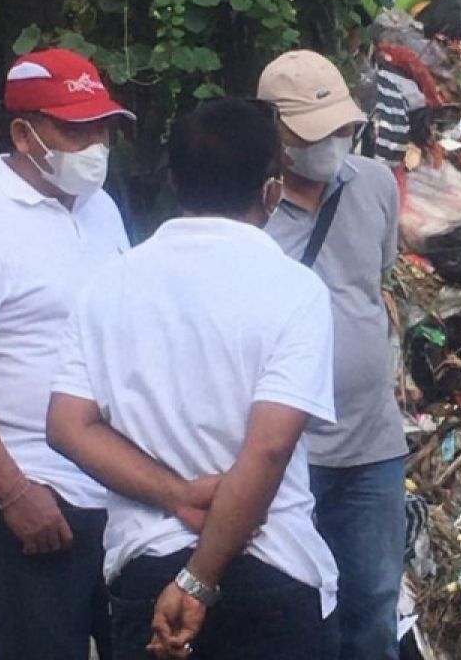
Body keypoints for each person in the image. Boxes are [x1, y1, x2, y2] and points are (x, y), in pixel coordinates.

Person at [46, 97, 339, 660]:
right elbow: (271, 446)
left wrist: (177, 495)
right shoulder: (294, 290)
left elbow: (67, 425)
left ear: (174, 181)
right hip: (272, 570)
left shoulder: (109, 285)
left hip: (146, 569)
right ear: (272, 190)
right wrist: (198, 582)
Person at [0, 48, 143, 660]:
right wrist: (13, 493)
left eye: (102, 126)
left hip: (117, 494)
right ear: (23, 132)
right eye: (75, 128)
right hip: (37, 503)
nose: (95, 143)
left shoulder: (102, 212)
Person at [258, 50, 407, 660]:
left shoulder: (371, 183)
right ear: (276, 134)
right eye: (316, 133)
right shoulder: (251, 213)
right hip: (289, 454)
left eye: (343, 128)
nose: (334, 143)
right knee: (291, 606)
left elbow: (376, 281)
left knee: (373, 603)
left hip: (374, 445)